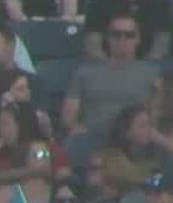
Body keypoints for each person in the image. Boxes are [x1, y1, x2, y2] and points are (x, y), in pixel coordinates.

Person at [61, 11, 159, 141]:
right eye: (116, 34)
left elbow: (157, 117)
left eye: (129, 35)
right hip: (91, 140)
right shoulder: (85, 72)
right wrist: (78, 132)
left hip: (133, 142)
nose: (122, 40)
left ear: (138, 38)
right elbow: (68, 117)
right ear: (108, 38)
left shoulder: (152, 73)